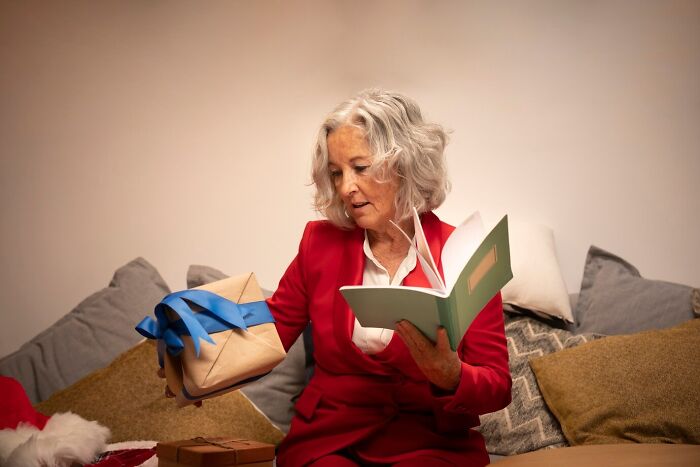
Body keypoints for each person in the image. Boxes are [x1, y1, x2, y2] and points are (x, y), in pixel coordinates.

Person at [266, 89, 512, 466]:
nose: (346, 187)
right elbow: (268, 335)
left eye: (360, 168)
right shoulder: (319, 244)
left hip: (429, 444)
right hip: (330, 441)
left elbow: (497, 386)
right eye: (336, 173)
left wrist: (452, 375)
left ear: (404, 164)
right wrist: (194, 370)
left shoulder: (465, 253)